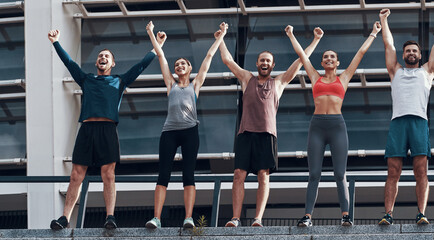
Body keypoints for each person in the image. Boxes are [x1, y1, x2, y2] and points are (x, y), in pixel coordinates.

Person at [47, 28, 161, 230]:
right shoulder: (86, 79)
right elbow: (70, 64)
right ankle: (64, 218)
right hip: (87, 129)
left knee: (108, 174)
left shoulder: (119, 80)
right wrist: (55, 41)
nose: (103, 57)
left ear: (112, 63)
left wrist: (157, 45)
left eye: (107, 56)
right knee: (76, 175)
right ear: (96, 62)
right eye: (100, 55)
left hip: (107, 130)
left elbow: (141, 66)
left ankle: (110, 217)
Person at [219, 26, 323, 227]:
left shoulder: (279, 82)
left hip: (267, 135)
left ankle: (258, 218)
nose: (264, 63)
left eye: (268, 60)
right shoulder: (247, 78)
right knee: (238, 175)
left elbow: (301, 60)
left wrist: (315, 40)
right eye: (262, 60)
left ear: (272, 65)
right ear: (257, 63)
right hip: (245, 133)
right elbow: (227, 61)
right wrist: (221, 37)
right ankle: (235, 218)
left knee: (263, 175)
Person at [285, 22, 381, 227]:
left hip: (337, 126)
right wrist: (291, 35)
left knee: (339, 174)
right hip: (317, 126)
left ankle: (345, 215)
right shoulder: (314, 77)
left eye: (332, 57)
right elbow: (302, 56)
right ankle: (308, 217)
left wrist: (374, 33)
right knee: (314, 174)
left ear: (337, 62)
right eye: (326, 57)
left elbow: (360, 54)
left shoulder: (344, 77)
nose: (329, 59)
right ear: (322, 62)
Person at [143, 21, 228, 229]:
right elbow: (161, 57)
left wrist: (221, 36)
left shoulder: (195, 84)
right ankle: (157, 218)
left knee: (188, 174)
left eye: (183, 64)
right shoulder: (170, 84)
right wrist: (150, 33)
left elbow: (208, 58)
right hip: (169, 132)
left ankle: (188, 218)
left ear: (190, 68)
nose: (179, 66)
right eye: (177, 64)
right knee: (164, 174)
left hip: (190, 132)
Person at [378, 7, 434, 225]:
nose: (411, 53)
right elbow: (388, 44)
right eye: (408, 51)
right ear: (404, 55)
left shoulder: (427, 71)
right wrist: (383, 20)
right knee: (394, 170)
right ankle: (388, 214)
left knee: (421, 170)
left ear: (420, 56)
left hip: (419, 123)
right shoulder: (395, 71)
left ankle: (421, 213)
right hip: (398, 122)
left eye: (414, 51)